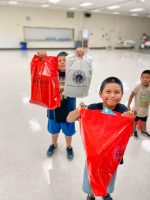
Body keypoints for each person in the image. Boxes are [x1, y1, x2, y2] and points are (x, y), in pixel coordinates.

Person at [67, 77, 134, 200]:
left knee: (109, 177)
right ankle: (90, 195)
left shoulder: (123, 110)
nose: (112, 95)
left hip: (111, 157)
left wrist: (130, 121)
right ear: (100, 94)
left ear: (122, 94)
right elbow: (69, 119)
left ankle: (105, 193)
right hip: (94, 155)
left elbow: (129, 134)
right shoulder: (93, 108)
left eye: (117, 92)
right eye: (108, 92)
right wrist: (78, 110)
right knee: (90, 177)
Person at [128, 70, 150, 138]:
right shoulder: (138, 86)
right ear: (140, 78)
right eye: (143, 77)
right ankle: (134, 130)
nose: (145, 79)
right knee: (135, 119)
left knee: (144, 120)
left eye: (147, 77)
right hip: (136, 108)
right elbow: (131, 95)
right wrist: (128, 105)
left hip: (145, 108)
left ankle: (143, 130)